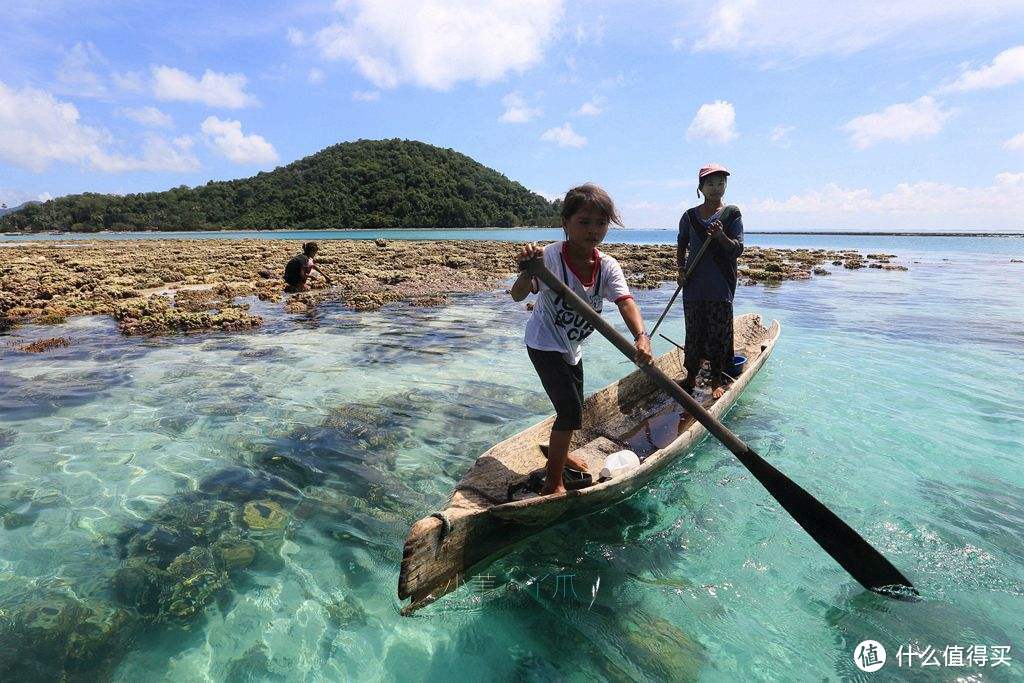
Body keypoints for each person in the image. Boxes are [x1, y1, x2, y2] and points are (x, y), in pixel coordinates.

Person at [511, 184, 653, 496]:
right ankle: (553, 482)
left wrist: (641, 337)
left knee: (573, 409)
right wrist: (526, 271)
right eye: (584, 222)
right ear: (565, 223)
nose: (593, 231)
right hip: (543, 343)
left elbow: (625, 302)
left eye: (601, 223)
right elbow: (517, 294)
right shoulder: (549, 257)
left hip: (571, 348)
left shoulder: (606, 266)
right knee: (570, 410)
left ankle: (558, 451)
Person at [677, 164, 744, 400]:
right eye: (711, 184)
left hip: (720, 285)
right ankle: (691, 376)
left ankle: (717, 378)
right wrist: (680, 269)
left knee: (719, 333)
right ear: (701, 188)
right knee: (693, 332)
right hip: (694, 284)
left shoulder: (732, 214)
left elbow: (737, 249)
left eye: (721, 183)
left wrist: (720, 236)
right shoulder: (688, 216)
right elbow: (682, 243)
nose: (717, 188)